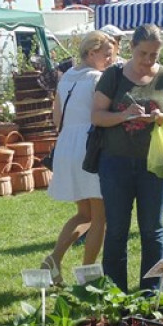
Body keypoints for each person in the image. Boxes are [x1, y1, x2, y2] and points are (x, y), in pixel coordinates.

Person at [92, 23, 163, 292]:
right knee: (117, 230)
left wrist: (161, 117)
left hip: (155, 165)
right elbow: (97, 116)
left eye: (154, 55)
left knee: (152, 229)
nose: (148, 60)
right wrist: (124, 115)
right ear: (131, 48)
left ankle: (152, 291)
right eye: (143, 53)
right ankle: (115, 292)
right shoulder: (113, 75)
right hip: (116, 163)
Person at [44, 31, 114, 283]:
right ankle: (88, 274)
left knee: (84, 213)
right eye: (106, 54)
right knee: (100, 216)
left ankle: (53, 260)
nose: (109, 59)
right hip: (90, 146)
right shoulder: (98, 78)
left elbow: (56, 118)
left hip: (67, 146)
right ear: (92, 52)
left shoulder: (66, 78)